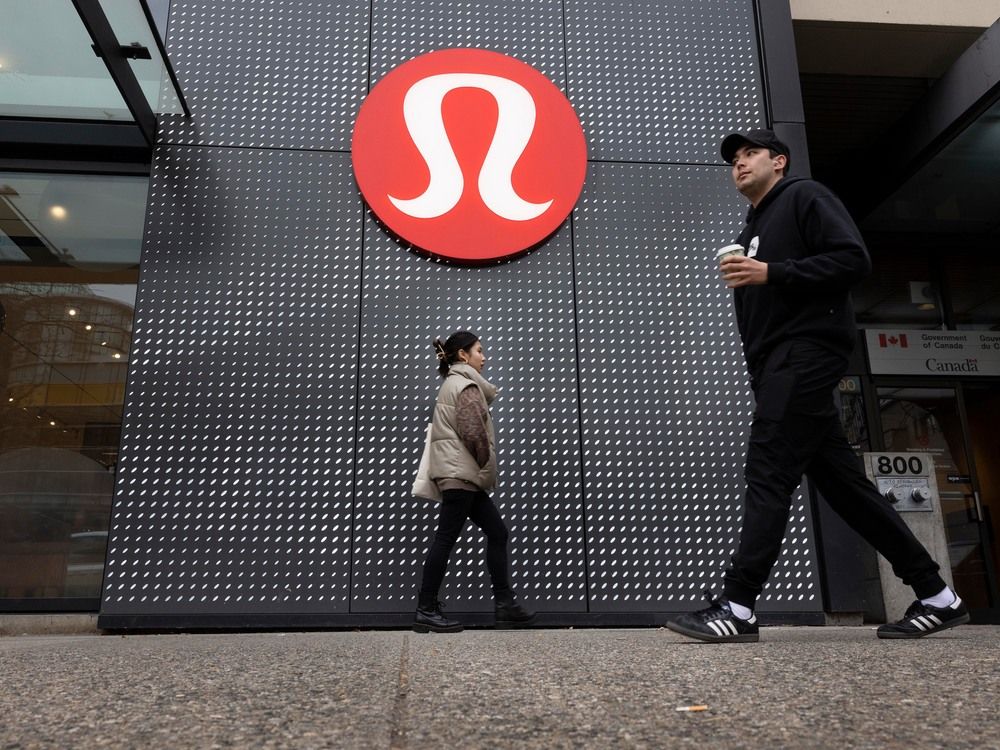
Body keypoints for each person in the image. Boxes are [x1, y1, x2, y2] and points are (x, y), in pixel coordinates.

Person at [666, 129, 968, 643]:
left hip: (805, 356)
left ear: (778, 162)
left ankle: (737, 605)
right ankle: (938, 595)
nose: (738, 164)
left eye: (750, 154)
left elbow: (853, 260)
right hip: (779, 368)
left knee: (768, 471)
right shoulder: (753, 224)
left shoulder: (805, 195)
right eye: (733, 160)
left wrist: (771, 272)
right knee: (848, 492)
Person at [413, 330, 535, 633]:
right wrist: (484, 461)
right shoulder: (466, 384)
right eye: (479, 351)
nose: (484, 357)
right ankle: (426, 609)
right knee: (447, 538)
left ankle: (505, 605)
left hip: (462, 475)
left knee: (497, 532)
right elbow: (472, 431)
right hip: (461, 475)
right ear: (463, 356)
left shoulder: (454, 382)